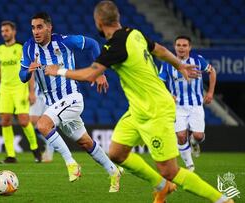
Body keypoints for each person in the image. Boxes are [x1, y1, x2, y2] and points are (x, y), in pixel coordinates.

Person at [45, 1, 233, 203]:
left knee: (170, 170)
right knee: (116, 153)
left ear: (98, 22)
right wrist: (180, 65)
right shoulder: (134, 33)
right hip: (138, 109)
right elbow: (159, 49)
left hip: (155, 109)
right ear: (117, 18)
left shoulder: (115, 45)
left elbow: (91, 74)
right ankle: (163, 186)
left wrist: (60, 71)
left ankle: (222, 199)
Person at [19, 12, 123, 192]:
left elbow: (92, 44)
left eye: (40, 27)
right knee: (85, 142)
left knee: (43, 125)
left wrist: (99, 72)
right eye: (33, 27)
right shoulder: (28, 48)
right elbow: (22, 77)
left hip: (71, 98)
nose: (35, 31)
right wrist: (29, 71)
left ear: (49, 28)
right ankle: (113, 171)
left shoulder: (64, 41)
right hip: (54, 105)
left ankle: (71, 164)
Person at [159, 36, 217, 171]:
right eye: (178, 45)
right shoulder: (167, 64)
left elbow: (212, 71)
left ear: (189, 48)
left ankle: (194, 142)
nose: (181, 48)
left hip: (196, 105)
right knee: (180, 135)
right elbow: (159, 82)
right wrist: (168, 94)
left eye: (184, 45)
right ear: (175, 47)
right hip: (177, 106)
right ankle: (189, 165)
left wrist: (210, 93)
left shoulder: (197, 60)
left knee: (198, 135)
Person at [0, 21, 41, 164]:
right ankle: (11, 155)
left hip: (20, 88)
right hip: (5, 89)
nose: (4, 33)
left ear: (14, 32)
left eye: (7, 30)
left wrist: (32, 91)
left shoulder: (22, 48)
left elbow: (29, 70)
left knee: (24, 120)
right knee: (5, 120)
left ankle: (35, 149)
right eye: (2, 31)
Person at [28, 75, 54, 162]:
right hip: (38, 92)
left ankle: (49, 148)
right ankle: (50, 144)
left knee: (43, 123)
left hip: (47, 93)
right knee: (32, 122)